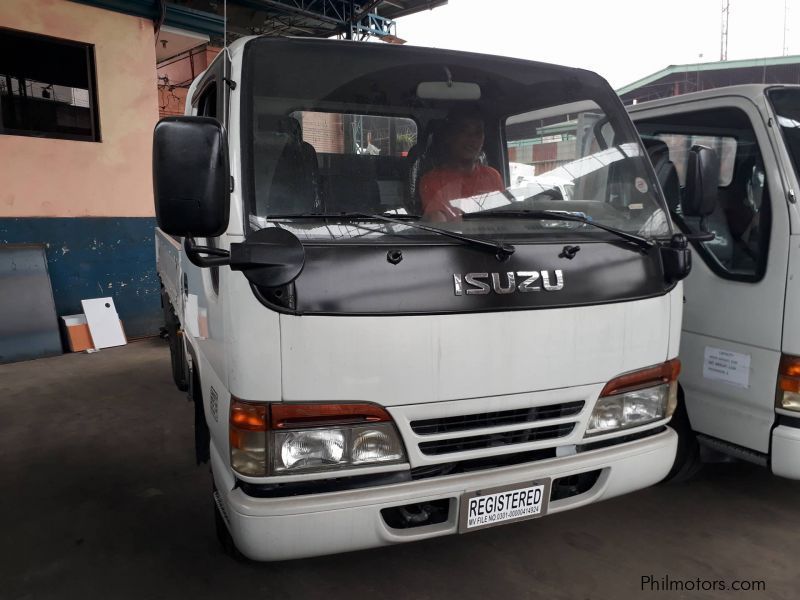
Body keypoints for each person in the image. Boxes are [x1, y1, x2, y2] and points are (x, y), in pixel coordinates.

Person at [419, 106, 504, 221]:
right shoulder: (432, 180)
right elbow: (438, 223)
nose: (472, 139)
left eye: (478, 132)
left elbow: (501, 218)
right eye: (464, 131)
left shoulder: (493, 176)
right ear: (450, 136)